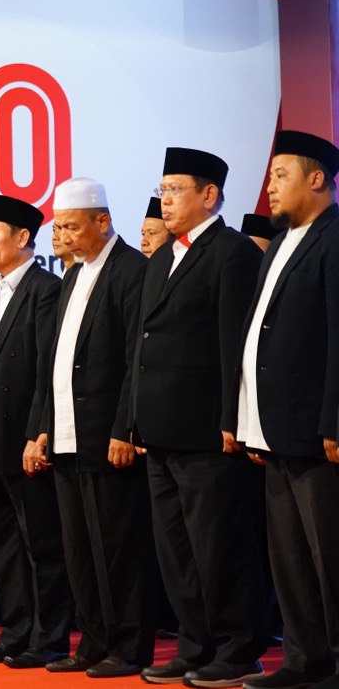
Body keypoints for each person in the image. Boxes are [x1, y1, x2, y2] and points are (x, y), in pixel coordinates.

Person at [134, 147, 267, 687]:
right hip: (160, 428)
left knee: (219, 547)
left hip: (209, 430)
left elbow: (235, 344)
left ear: (209, 195)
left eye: (175, 189)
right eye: (162, 190)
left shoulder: (232, 252)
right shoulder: (162, 257)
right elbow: (142, 344)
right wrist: (134, 419)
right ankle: (195, 645)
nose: (165, 200)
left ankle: (238, 650)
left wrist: (233, 419)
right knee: (177, 550)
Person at [25, 178, 155, 678]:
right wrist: (42, 429)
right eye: (58, 228)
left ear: (103, 221)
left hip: (106, 435)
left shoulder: (131, 270)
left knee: (117, 546)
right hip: (65, 435)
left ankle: (128, 646)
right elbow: (54, 363)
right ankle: (94, 641)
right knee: (78, 547)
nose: (64, 237)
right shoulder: (72, 276)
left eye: (73, 227)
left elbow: (135, 359)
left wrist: (125, 428)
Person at [239, 132, 339, 689]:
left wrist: (335, 419)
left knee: (329, 554)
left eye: (281, 175)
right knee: (289, 555)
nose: (271, 187)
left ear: (316, 178)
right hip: (273, 427)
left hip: (316, 429)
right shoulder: (280, 244)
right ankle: (305, 660)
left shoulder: (334, 237)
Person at [0, 194, 73, 668]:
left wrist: (38, 433)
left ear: (23, 237)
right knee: (3, 545)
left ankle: (48, 638)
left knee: (39, 544)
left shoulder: (45, 289)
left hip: (24, 438)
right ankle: (14, 632)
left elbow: (46, 369)